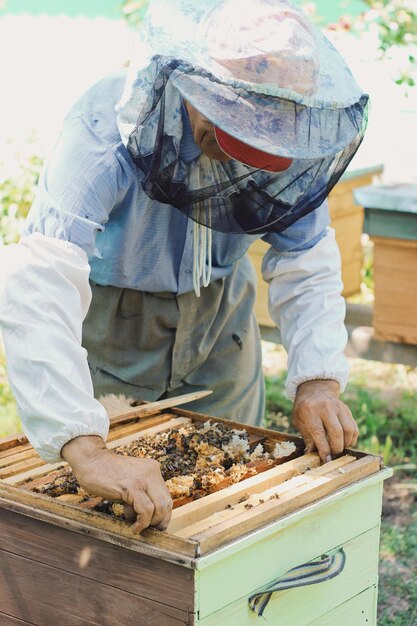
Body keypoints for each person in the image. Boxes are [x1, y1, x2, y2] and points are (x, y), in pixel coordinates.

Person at [0, 0, 367, 533]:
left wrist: (318, 381)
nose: (246, 149)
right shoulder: (105, 129)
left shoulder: (288, 135)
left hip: (224, 320)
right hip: (115, 323)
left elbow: (305, 254)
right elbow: (40, 279)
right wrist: (84, 447)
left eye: (269, 132)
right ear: (195, 86)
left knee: (233, 500)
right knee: (109, 517)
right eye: (238, 125)